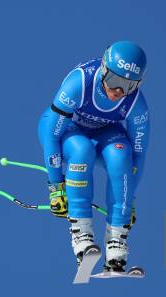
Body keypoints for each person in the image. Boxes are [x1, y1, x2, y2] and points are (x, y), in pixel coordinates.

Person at [37, 41, 150, 272]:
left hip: (106, 133)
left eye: (128, 86)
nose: (118, 91)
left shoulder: (137, 104)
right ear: (104, 69)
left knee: (122, 157)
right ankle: (81, 234)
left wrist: (129, 202)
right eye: (114, 80)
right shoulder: (79, 82)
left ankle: (117, 239)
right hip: (69, 130)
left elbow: (139, 155)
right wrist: (55, 186)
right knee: (82, 151)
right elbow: (51, 134)